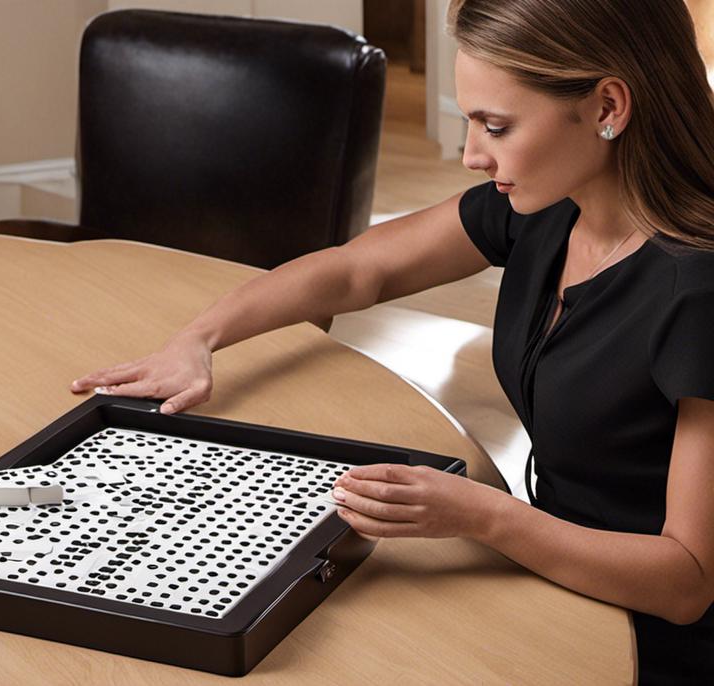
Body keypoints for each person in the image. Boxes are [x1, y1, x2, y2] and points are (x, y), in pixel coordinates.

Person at [69, 0, 714, 682]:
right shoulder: (551, 202)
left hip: (645, 642)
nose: (471, 155)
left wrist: (486, 518)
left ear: (609, 105)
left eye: (496, 125)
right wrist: (198, 339)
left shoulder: (695, 292)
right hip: (545, 572)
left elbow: (686, 581)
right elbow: (358, 269)